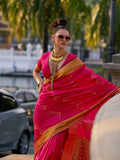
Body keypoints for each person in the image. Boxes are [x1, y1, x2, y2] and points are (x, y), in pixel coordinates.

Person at [33, 18, 120, 160]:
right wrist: (39, 82)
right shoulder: (44, 57)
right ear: (53, 38)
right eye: (61, 36)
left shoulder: (73, 61)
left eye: (67, 38)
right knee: (41, 147)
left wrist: (115, 90)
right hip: (42, 109)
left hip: (61, 112)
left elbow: (93, 79)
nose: (64, 40)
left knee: (53, 150)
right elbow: (35, 71)